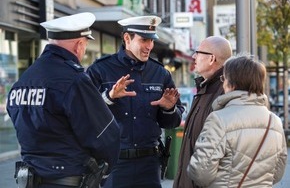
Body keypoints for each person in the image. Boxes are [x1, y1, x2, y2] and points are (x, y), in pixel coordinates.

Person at [6, 12, 120, 188]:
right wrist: (104, 174)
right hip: (69, 180)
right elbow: (107, 136)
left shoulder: (24, 80)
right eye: (85, 45)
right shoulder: (74, 80)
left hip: (30, 180)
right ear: (78, 45)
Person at [86, 15, 184, 188]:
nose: (149, 46)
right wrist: (108, 97)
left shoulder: (161, 74)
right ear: (127, 38)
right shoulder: (100, 70)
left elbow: (173, 122)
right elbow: (84, 114)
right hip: (114, 164)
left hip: (150, 164)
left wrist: (169, 109)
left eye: (152, 40)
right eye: (144, 40)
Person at [187, 53, 288, 187]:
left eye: (224, 79)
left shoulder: (219, 119)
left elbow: (200, 172)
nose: (223, 84)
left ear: (232, 83)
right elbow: (278, 172)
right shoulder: (274, 121)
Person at [173, 36, 233, 188]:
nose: (194, 57)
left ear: (212, 58)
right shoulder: (205, 88)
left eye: (198, 53)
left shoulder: (224, 93)